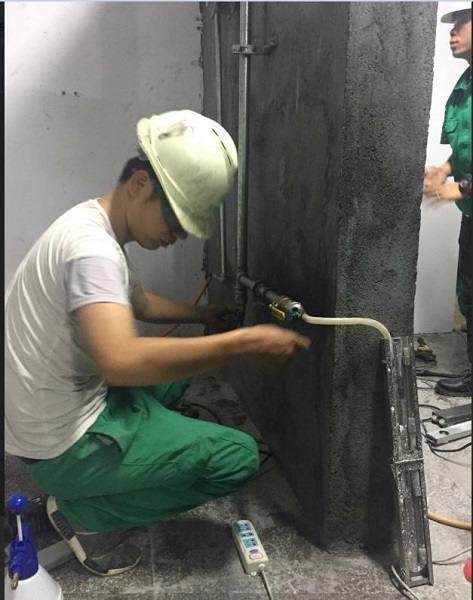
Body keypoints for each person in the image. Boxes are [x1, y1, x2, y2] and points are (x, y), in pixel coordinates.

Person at [5, 109, 311, 576]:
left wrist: (204, 315)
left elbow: (141, 303)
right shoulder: (91, 252)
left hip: (52, 411)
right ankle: (84, 514)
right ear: (140, 184)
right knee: (237, 458)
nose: (180, 233)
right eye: (177, 217)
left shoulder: (92, 224)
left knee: (175, 379)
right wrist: (243, 342)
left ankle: (129, 458)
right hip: (60, 444)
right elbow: (122, 361)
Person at [423, 4, 472, 397]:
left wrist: (463, 187)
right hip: (471, 215)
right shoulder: (465, 85)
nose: (452, 33)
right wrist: (445, 168)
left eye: (461, 25)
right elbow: (466, 148)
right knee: (469, 293)